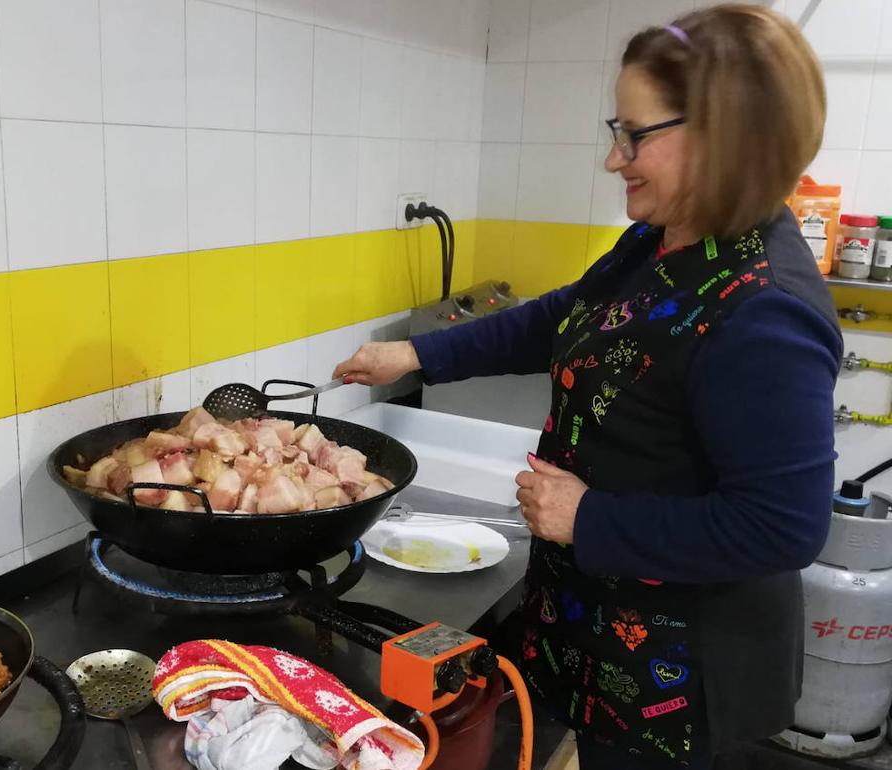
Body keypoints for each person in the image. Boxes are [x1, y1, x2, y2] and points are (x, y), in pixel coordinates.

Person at [334, 6, 841, 768]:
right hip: (597, 631)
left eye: (636, 135)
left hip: (677, 675)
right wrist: (416, 353)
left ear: (724, 135)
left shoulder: (763, 308)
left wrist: (587, 518)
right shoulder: (666, 238)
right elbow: (561, 318)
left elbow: (782, 528)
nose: (615, 159)